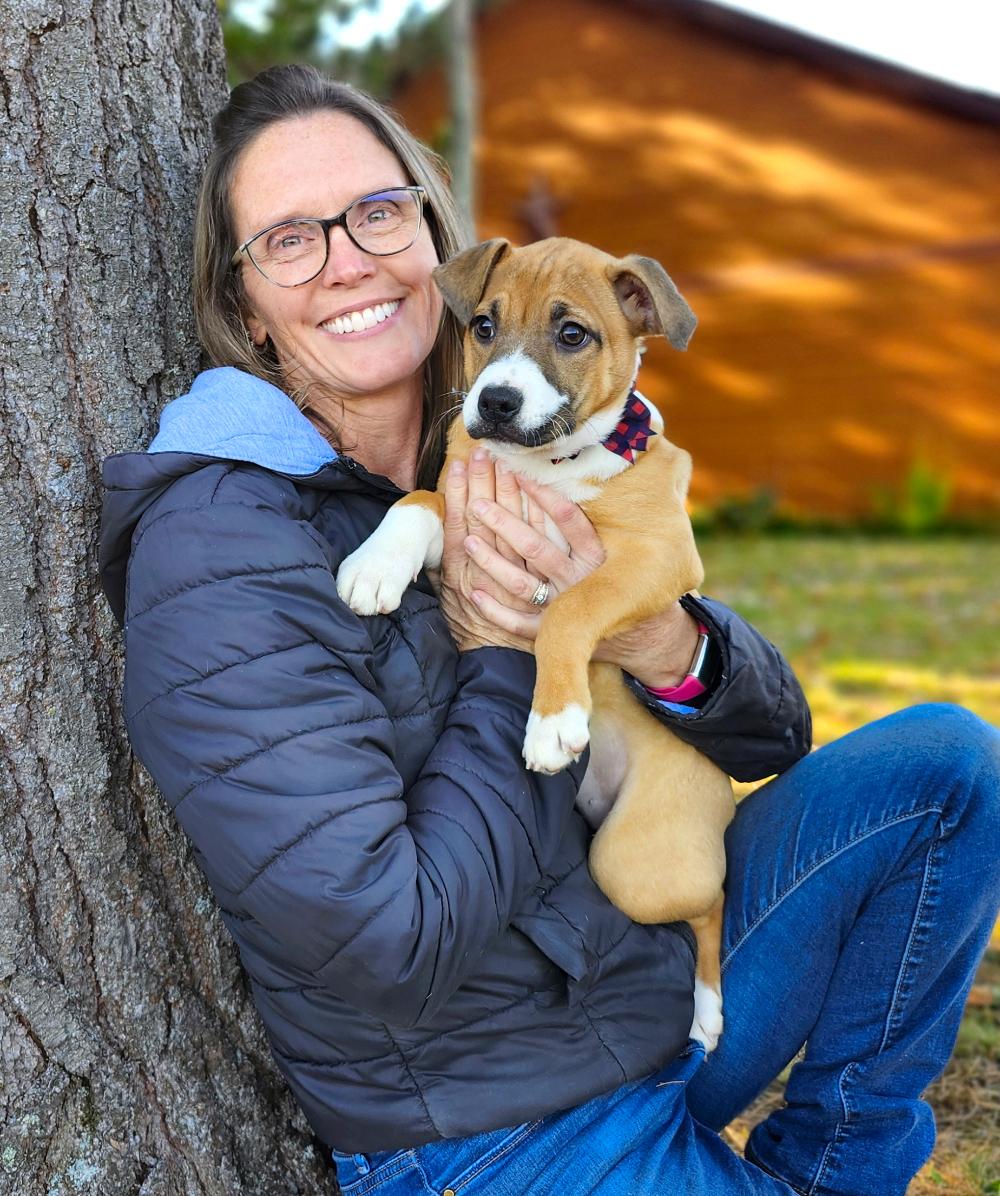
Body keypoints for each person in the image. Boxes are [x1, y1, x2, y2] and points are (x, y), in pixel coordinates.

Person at [99, 64, 1000, 1195]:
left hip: (644, 983)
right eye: (289, 239)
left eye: (376, 212)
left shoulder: (505, 429)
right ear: (244, 308)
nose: (347, 258)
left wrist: (656, 641)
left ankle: (836, 1164)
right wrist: (505, 644)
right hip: (500, 1112)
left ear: (436, 240)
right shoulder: (221, 547)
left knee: (947, 769)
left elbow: (771, 739)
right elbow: (388, 940)